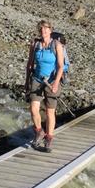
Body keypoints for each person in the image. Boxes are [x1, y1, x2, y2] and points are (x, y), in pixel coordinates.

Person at [25, 20, 64, 152]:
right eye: (41, 29)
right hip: (36, 79)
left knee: (49, 111)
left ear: (50, 30)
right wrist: (26, 82)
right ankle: (39, 131)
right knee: (33, 109)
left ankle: (49, 138)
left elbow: (60, 66)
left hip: (51, 80)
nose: (44, 31)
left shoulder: (57, 45)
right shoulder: (35, 44)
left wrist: (56, 83)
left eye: (46, 29)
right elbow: (30, 64)